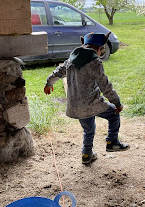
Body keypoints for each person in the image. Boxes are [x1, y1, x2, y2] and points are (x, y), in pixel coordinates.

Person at [44, 32, 130, 164]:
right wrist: (116, 102)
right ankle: (112, 141)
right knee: (113, 114)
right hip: (92, 103)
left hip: (75, 106)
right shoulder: (94, 61)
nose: (102, 52)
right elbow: (105, 85)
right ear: (98, 48)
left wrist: (49, 83)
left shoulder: (71, 59)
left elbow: (58, 72)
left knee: (89, 129)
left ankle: (86, 154)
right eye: (102, 49)